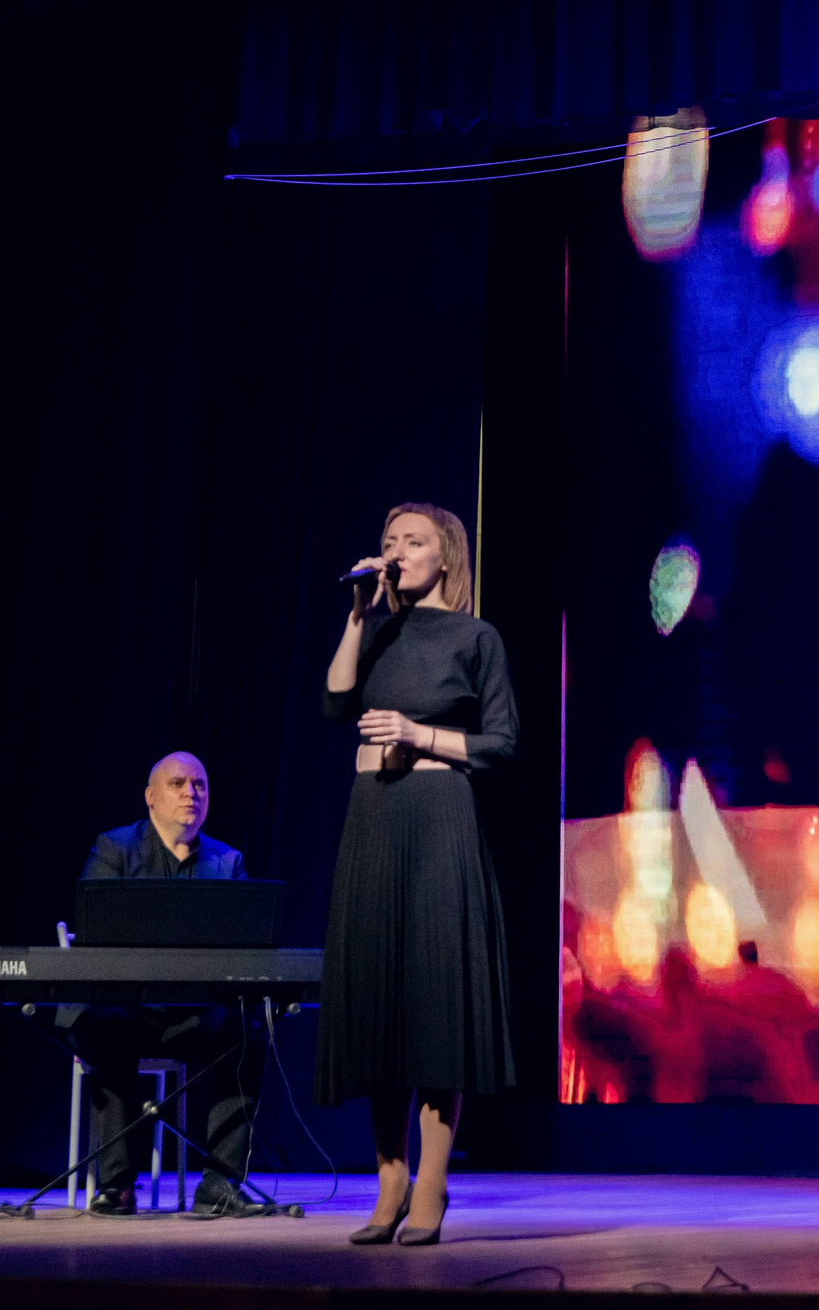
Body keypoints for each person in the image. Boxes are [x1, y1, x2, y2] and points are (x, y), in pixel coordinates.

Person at [318, 503, 518, 1246]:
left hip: (438, 816)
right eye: (388, 541)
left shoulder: (476, 637)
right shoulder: (376, 629)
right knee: (380, 1001)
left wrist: (417, 732)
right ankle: (390, 1176)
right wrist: (357, 616)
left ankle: (432, 1179)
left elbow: (502, 742)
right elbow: (334, 702)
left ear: (446, 556)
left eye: (413, 540)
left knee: (435, 1003)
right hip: (373, 816)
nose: (396, 551)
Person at [60, 751, 268, 1216]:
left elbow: (246, 944)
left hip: (194, 1016)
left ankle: (219, 1184)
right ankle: (117, 1185)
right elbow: (95, 931)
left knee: (249, 1028)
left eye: (199, 785)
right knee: (103, 1023)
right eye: (178, 784)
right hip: (131, 1011)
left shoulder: (227, 860)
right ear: (151, 797)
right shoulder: (115, 848)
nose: (190, 793)